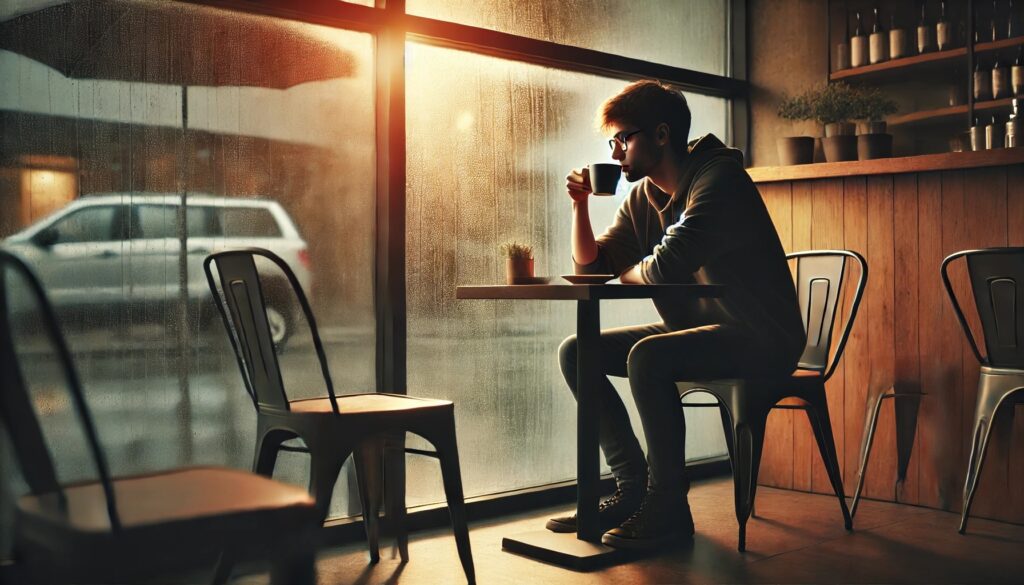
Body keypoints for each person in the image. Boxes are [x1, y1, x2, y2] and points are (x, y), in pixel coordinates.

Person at [545, 80, 806, 549]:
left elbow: (665, 266)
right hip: (702, 329)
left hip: (762, 334)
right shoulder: (642, 197)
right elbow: (592, 268)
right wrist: (580, 208)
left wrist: (631, 273)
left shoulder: (719, 180)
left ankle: (667, 505)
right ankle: (631, 490)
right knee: (578, 351)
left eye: (624, 138)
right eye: (613, 142)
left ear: (662, 135)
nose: (617, 151)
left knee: (648, 358)